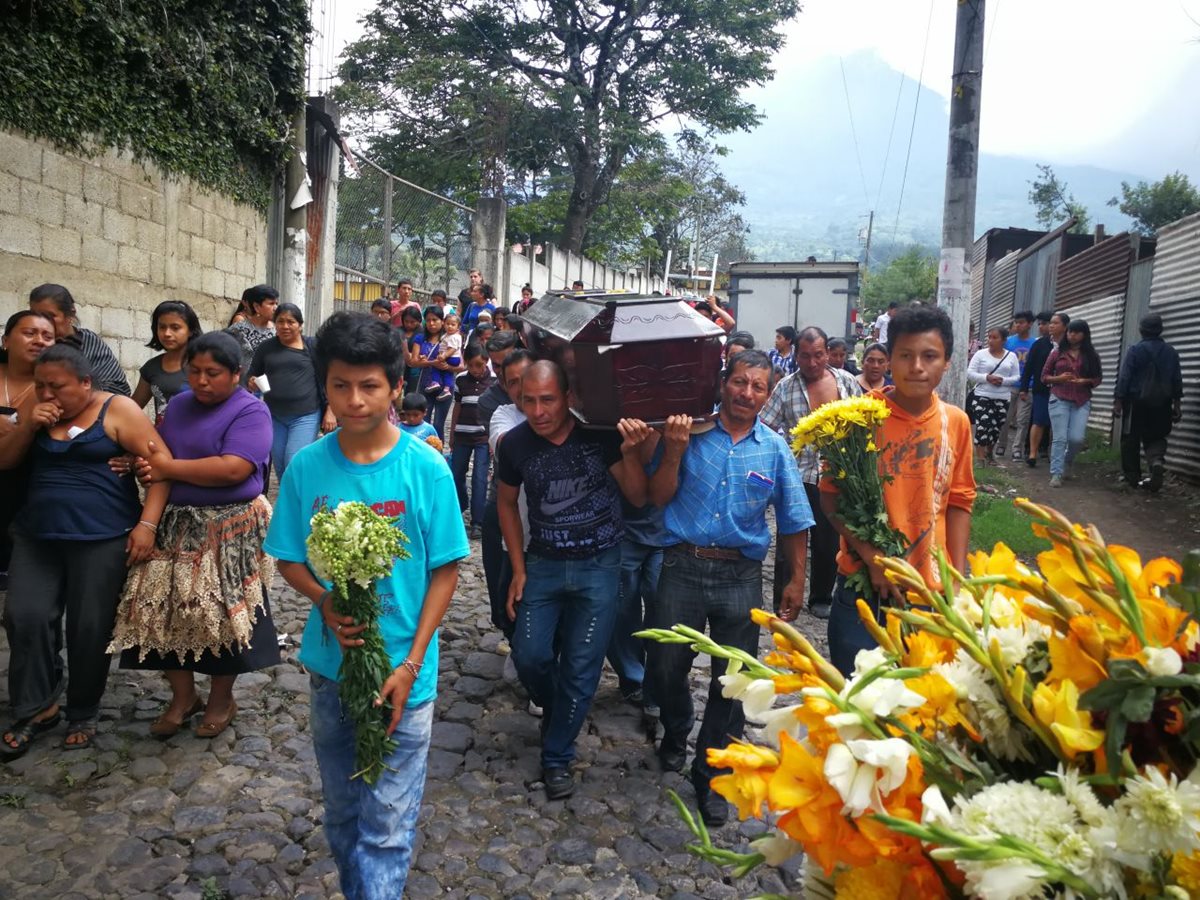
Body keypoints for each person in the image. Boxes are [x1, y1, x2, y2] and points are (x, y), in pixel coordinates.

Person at [265, 312, 468, 899]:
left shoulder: (425, 468)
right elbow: (287, 558)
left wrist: (410, 663)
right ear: (324, 385)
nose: (355, 401)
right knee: (343, 815)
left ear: (396, 386)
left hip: (407, 675)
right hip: (332, 669)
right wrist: (324, 600)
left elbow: (445, 572)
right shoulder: (307, 467)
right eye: (340, 386)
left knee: (386, 827)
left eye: (370, 386)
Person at [646, 349, 812, 827]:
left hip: (740, 575)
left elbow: (795, 519)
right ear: (724, 384)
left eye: (758, 386)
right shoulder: (690, 432)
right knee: (665, 666)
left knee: (734, 682)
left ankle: (711, 771)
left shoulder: (775, 448)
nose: (747, 393)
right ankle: (676, 727)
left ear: (768, 394)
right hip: (682, 564)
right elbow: (657, 496)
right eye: (740, 382)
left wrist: (796, 578)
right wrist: (673, 449)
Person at [0, 345, 171, 756]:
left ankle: (83, 710)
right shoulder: (35, 410)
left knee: (89, 626)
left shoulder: (117, 410)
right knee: (25, 614)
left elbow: (160, 466)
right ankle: (37, 707)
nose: (46, 394)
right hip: (38, 533)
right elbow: (5, 462)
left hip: (103, 535)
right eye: (40, 386)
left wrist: (146, 526)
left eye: (56, 386)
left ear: (85, 383)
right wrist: (26, 427)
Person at [108, 331, 279, 739]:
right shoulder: (180, 405)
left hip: (229, 526)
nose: (201, 381)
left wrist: (169, 469)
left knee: (222, 615)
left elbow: (234, 468)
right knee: (159, 611)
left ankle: (222, 698)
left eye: (213, 373)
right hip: (174, 521)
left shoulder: (251, 411)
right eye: (195, 371)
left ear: (236, 374)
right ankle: (183, 698)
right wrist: (139, 466)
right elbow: (156, 453)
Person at [496, 361, 651, 800]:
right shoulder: (514, 445)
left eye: (547, 400)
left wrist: (632, 452)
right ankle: (561, 709)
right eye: (528, 400)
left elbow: (637, 497)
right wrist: (519, 568)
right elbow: (505, 503)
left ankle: (557, 755)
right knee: (528, 656)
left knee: (583, 666)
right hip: (543, 564)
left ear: (567, 397)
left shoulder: (599, 436)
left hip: (600, 565)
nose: (538, 410)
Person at [824, 305, 975, 677]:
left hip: (927, 593)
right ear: (890, 361)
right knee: (857, 704)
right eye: (906, 356)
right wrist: (873, 557)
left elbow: (959, 501)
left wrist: (955, 581)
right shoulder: (859, 417)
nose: (917, 367)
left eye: (930, 356)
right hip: (862, 590)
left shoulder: (955, 423)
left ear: (948, 363)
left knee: (917, 709)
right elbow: (830, 497)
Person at [759, 328, 859, 620]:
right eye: (805, 356)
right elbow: (765, 425)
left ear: (827, 353)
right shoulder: (786, 387)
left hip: (836, 475)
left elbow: (865, 424)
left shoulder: (847, 382)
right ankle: (784, 596)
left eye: (818, 355)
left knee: (829, 541)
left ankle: (821, 596)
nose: (812, 362)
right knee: (790, 538)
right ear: (797, 354)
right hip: (797, 475)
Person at [0, 311, 56, 591]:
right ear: (6, 341)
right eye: (30, 333)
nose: (39, 341)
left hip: (28, 493)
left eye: (48, 336)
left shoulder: (56, 387)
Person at [248, 303, 336, 479]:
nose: (285, 326)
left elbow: (331, 379)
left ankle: (303, 501)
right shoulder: (266, 347)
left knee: (293, 462)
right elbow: (252, 375)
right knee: (280, 465)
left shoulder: (312, 347)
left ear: (300, 325)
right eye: (280, 321)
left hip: (306, 415)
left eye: (291, 322)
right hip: (275, 416)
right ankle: (291, 502)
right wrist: (252, 382)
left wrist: (331, 411)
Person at [1115, 314, 1183, 492]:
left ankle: (1132, 477)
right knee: (1157, 436)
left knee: (1130, 438)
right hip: (1162, 403)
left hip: (1136, 403)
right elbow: (1177, 379)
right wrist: (1177, 404)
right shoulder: (1171, 352)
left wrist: (1118, 400)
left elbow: (1125, 377)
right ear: (1160, 330)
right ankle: (1156, 461)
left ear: (1141, 330)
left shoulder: (1135, 350)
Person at [28, 283, 131, 396]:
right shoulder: (33, 344)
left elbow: (119, 390)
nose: (42, 321)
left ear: (70, 314)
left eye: (50, 315)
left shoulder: (89, 342)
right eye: (35, 316)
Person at [1042, 319, 1103, 488]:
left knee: (1077, 438)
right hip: (1059, 397)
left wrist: (1085, 381)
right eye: (1069, 332)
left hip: (1081, 400)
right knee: (1059, 438)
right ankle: (1056, 473)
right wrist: (1058, 379)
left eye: (1076, 332)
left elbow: (1098, 379)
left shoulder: (1091, 355)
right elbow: (1044, 377)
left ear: (1084, 334)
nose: (1072, 335)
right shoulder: (1057, 353)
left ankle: (1067, 461)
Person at [448, 343, 495, 539]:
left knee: (479, 478)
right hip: (462, 434)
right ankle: (460, 505)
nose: (475, 370)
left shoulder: (494, 382)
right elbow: (457, 406)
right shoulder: (460, 380)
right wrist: (452, 433)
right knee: (456, 473)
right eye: (471, 365)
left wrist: (494, 437)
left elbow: (496, 411)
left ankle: (478, 521)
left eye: (479, 365)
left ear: (486, 362)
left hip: (483, 437)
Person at [132, 301, 204, 426]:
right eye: (162, 327)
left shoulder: (203, 365)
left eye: (175, 328)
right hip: (161, 441)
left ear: (191, 330)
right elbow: (133, 407)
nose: (167, 333)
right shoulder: (152, 367)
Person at [967, 326, 1021, 465]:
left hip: (1002, 397)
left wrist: (1003, 381)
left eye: (995, 338)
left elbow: (1016, 376)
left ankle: (990, 454)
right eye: (989, 337)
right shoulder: (981, 355)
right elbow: (970, 373)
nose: (991, 340)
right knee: (983, 425)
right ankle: (980, 458)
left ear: (1003, 340)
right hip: (982, 395)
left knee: (996, 427)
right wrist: (987, 378)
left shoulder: (1011, 356)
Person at [995, 310, 1036, 461]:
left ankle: (1017, 449)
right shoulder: (1009, 342)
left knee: (1022, 419)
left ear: (1030, 324)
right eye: (1016, 322)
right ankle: (1001, 444)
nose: (1018, 325)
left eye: (1021, 323)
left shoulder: (1034, 343)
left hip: (1027, 386)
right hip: (1009, 385)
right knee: (1004, 417)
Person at [1020, 312, 1057, 468]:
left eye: (1044, 323)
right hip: (1041, 389)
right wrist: (1024, 388)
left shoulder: (1064, 345)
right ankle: (1032, 452)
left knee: (1055, 423)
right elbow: (1028, 368)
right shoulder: (1039, 344)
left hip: (1061, 390)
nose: (1041, 327)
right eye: (1040, 324)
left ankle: (1051, 453)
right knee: (1038, 419)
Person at [411, 306, 454, 439]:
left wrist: (447, 367)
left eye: (435, 320)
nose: (431, 323)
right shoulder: (420, 338)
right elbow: (414, 362)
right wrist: (433, 363)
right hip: (425, 385)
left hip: (445, 387)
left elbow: (462, 365)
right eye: (428, 320)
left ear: (442, 321)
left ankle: (438, 454)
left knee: (438, 424)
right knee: (424, 422)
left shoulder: (450, 338)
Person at [226, 284, 279, 383]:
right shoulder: (238, 329)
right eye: (271, 303)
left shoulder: (278, 331)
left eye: (276, 303)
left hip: (271, 386)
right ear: (256, 306)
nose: (275, 308)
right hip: (242, 386)